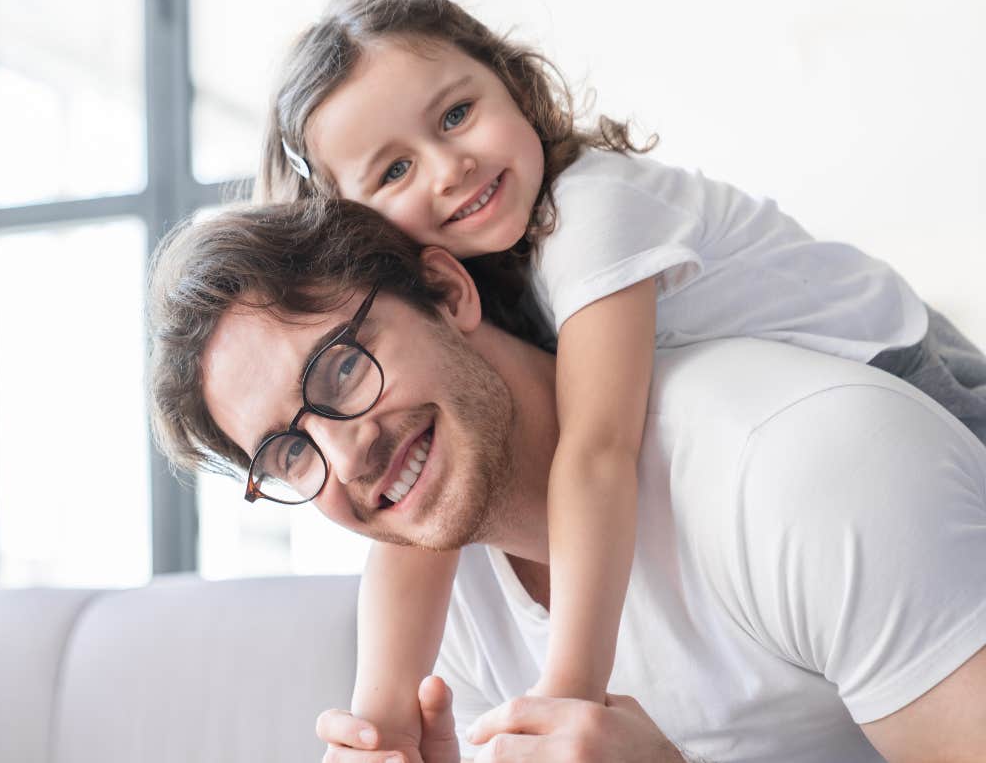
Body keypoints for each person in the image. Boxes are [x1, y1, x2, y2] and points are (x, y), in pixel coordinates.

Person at [253, 0, 986, 753]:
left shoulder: (591, 214)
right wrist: (379, 723)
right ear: (359, 227)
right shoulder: (477, 281)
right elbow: (414, 539)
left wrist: (568, 692)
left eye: (456, 114)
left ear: (510, 81)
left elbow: (597, 450)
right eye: (396, 169)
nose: (451, 166)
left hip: (929, 392)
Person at [145, 198, 986, 761]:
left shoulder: (796, 470)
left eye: (337, 368)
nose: (346, 452)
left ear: (445, 292)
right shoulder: (451, 621)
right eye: (289, 451)